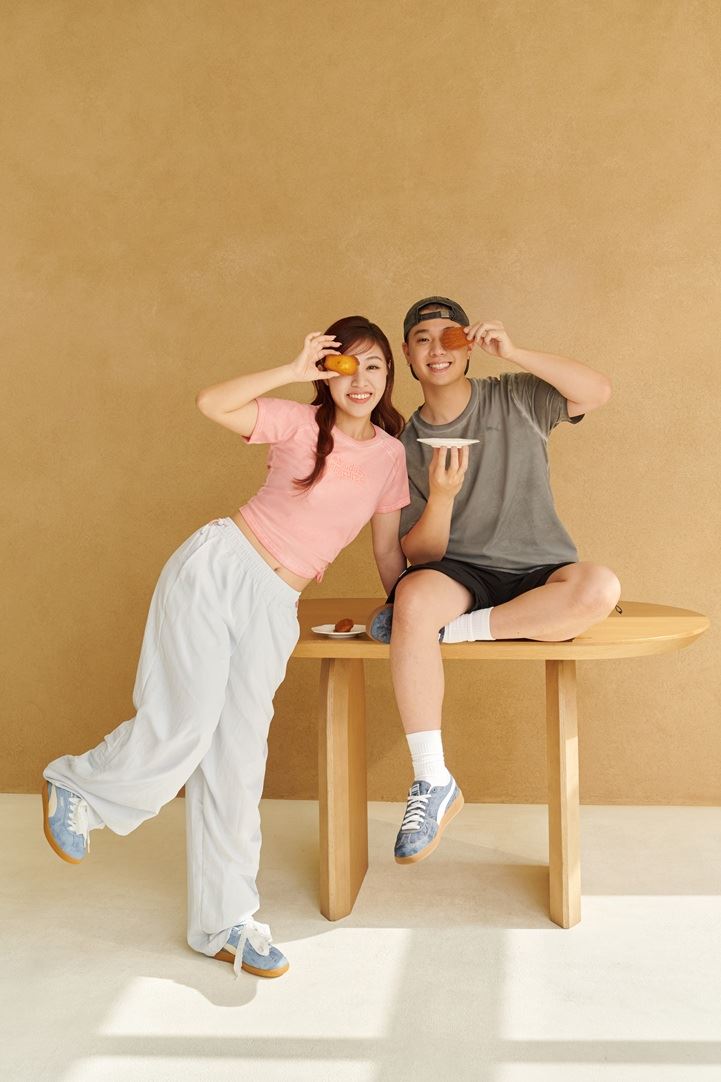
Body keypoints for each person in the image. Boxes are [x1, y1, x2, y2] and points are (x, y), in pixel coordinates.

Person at [42, 316, 409, 978]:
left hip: (274, 605)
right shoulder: (298, 422)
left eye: (375, 365)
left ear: (389, 376)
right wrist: (292, 370)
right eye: (346, 365)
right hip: (219, 567)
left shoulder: (389, 455)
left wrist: (405, 606)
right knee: (187, 721)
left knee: (238, 758)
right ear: (328, 375)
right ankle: (80, 787)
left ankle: (224, 921)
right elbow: (212, 403)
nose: (361, 379)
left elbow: (386, 549)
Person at [368, 296, 620, 865]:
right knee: (414, 597)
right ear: (407, 354)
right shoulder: (403, 446)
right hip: (461, 573)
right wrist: (443, 497)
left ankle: (448, 632)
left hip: (540, 569)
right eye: (423, 339)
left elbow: (597, 391)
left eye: (449, 337)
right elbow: (419, 554)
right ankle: (432, 779)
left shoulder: (515, 395)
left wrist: (516, 351)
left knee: (600, 587)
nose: (437, 349)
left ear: (468, 348)